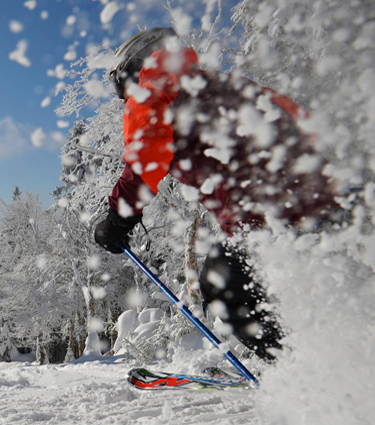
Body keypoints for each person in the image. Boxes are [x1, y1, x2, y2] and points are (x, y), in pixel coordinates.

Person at [92, 28, 341, 361]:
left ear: (133, 68)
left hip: (260, 206)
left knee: (221, 287)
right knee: (314, 286)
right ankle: (339, 360)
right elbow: (297, 116)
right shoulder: (217, 82)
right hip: (315, 193)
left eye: (119, 83)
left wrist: (118, 219)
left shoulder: (152, 88)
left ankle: (298, 370)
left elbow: (146, 156)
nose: (123, 96)